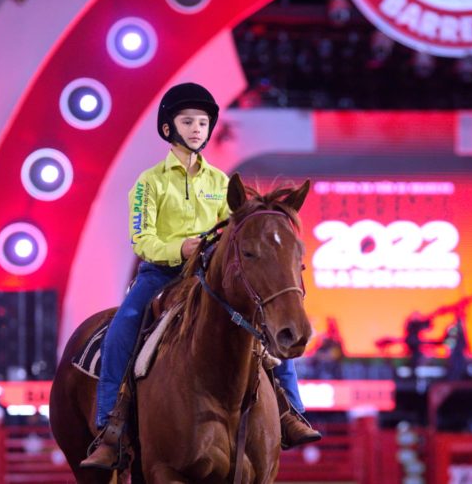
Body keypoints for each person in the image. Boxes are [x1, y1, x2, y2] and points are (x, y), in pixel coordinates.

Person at [80, 82, 321, 470]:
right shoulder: (150, 182)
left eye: (203, 123)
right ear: (167, 129)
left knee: (268, 322)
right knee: (125, 323)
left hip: (209, 278)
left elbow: (234, 235)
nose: (197, 128)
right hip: (162, 275)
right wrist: (180, 248)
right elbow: (143, 240)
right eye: (187, 121)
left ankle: (290, 413)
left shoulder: (223, 184)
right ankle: (112, 427)